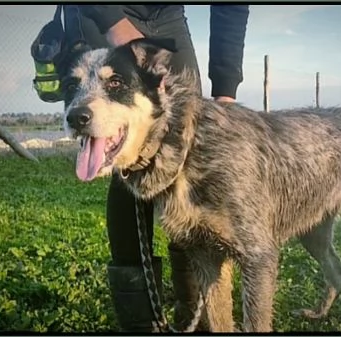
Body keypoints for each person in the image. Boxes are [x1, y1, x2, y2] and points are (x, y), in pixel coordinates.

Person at [57, 5, 249, 332]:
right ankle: (141, 324)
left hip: (168, 13)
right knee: (125, 162)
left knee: (187, 156)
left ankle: (197, 316)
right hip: (100, 11)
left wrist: (226, 89)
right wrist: (112, 21)